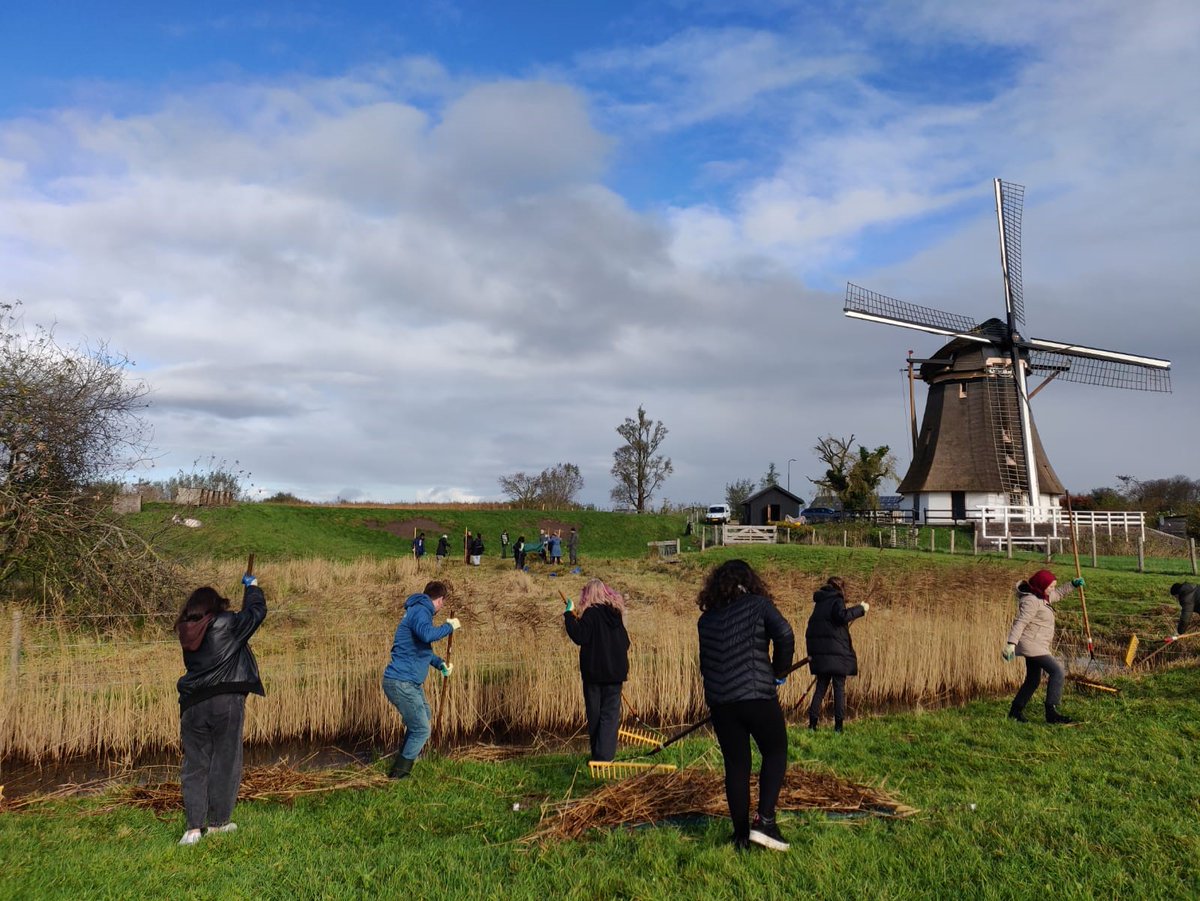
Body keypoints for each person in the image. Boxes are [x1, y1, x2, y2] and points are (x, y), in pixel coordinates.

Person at [696, 559, 795, 853]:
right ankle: (765, 821)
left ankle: (741, 836)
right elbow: (785, 634)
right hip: (757, 696)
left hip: (722, 703)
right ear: (749, 581)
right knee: (775, 751)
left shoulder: (706, 620)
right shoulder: (759, 605)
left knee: (736, 766)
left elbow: (706, 664)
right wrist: (779, 671)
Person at [174, 570, 267, 846]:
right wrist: (253, 588)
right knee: (225, 761)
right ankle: (218, 824)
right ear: (215, 606)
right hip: (225, 701)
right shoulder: (226, 623)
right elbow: (256, 614)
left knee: (195, 765)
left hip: (192, 704)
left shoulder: (187, 629)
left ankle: (193, 830)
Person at [381, 581, 461, 778]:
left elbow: (422, 650)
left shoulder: (418, 611)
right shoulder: (421, 611)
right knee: (422, 730)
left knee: (424, 715)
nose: (442, 606)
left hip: (407, 681)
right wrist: (448, 627)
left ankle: (401, 764)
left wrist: (440, 664)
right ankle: (399, 775)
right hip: (401, 682)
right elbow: (427, 636)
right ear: (440, 600)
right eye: (443, 602)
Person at [1003, 568, 1084, 725]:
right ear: (1041, 585)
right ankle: (1051, 713)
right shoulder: (1031, 601)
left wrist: (1072, 585)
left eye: (1054, 586)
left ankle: (1015, 712)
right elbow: (1021, 622)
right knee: (1057, 672)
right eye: (1050, 586)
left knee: (1033, 680)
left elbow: (1058, 594)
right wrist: (1011, 644)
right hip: (1032, 645)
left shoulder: (1042, 596)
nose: (1053, 589)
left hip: (1037, 644)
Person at [562, 579, 630, 762]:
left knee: (595, 716)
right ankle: (602, 757)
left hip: (594, 675)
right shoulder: (616, 615)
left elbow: (579, 636)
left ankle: (601, 758)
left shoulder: (590, 614)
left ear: (588, 595)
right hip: (615, 674)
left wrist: (568, 615)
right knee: (610, 716)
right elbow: (626, 643)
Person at [805, 576, 868, 733]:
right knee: (839, 688)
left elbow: (814, 628)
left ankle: (812, 725)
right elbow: (842, 616)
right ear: (840, 588)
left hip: (821, 655)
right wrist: (861, 609)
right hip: (837, 654)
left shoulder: (819, 603)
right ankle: (838, 728)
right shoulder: (837, 600)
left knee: (820, 688)